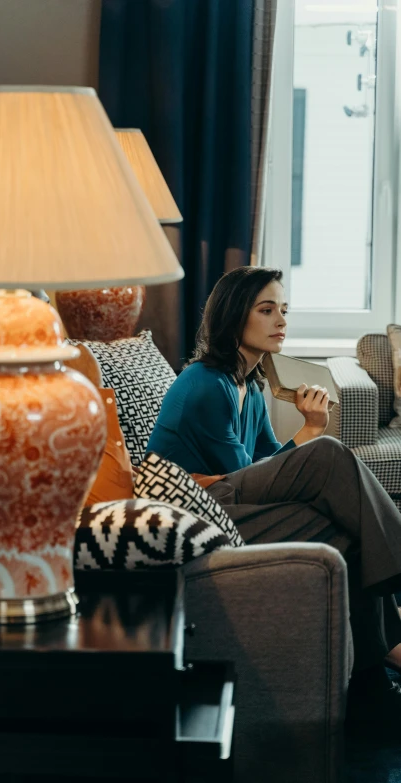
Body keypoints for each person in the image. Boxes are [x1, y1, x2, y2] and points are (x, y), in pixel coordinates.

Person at [147, 266, 401, 720]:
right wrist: (311, 432)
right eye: (267, 310)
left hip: (233, 497)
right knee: (326, 454)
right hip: (201, 509)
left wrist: (312, 429)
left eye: (284, 310)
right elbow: (252, 475)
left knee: (344, 527)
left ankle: (371, 689)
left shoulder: (250, 384)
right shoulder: (205, 384)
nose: (281, 320)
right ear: (232, 317)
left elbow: (270, 464)